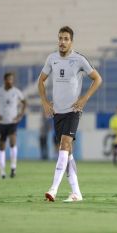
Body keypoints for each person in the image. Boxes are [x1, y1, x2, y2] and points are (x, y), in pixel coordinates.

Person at [38, 26, 102, 202]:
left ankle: (53, 189)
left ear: (71, 41)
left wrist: (84, 99)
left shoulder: (79, 59)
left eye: (66, 39)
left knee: (64, 145)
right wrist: (44, 102)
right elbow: (41, 81)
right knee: (68, 153)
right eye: (60, 38)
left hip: (73, 111)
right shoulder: (52, 59)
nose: (62, 42)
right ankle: (76, 192)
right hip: (57, 112)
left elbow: (97, 79)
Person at [0, 73, 26, 179]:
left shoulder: (16, 91)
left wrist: (20, 114)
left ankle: (13, 167)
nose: (10, 81)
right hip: (2, 123)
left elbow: (24, 102)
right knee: (1, 147)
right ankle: (2, 171)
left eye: (12, 79)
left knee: (13, 143)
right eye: (9, 79)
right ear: (4, 80)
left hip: (12, 122)